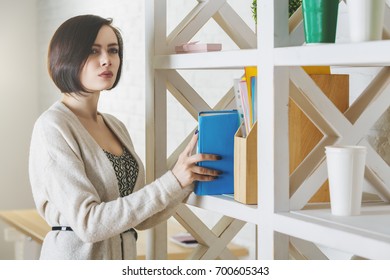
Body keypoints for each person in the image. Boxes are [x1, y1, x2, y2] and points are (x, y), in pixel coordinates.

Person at [29, 14, 220, 260]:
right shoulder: (53, 127)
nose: (106, 60)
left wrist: (186, 180)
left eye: (113, 50)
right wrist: (172, 181)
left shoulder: (115, 126)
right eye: (93, 51)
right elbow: (89, 223)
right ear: (66, 57)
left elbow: (141, 215)